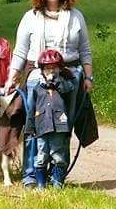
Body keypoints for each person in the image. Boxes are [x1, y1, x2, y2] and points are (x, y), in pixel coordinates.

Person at [3, 0, 94, 188]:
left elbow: (85, 51)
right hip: (38, 75)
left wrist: (89, 77)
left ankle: (57, 174)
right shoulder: (30, 17)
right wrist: (12, 77)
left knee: (64, 125)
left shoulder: (75, 16)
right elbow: (21, 52)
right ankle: (31, 174)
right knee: (34, 124)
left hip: (70, 76)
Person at [23, 49, 77, 189]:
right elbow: (31, 110)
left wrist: (56, 82)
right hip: (42, 127)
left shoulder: (65, 85)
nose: (50, 71)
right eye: (47, 69)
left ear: (59, 69)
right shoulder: (37, 88)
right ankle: (41, 185)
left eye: (54, 68)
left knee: (58, 155)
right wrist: (30, 128)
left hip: (59, 127)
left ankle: (57, 182)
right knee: (41, 156)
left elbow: (68, 91)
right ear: (41, 70)